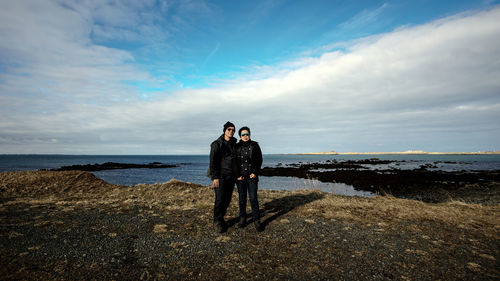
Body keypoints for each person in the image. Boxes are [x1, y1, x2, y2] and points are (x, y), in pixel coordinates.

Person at [208, 121, 237, 233]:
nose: (231, 131)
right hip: (220, 177)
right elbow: (213, 162)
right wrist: (215, 177)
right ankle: (217, 222)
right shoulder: (216, 144)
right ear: (224, 130)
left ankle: (221, 218)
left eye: (233, 130)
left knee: (227, 199)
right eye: (229, 129)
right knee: (219, 199)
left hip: (231, 176)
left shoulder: (234, 143)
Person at [235, 126, 263, 232]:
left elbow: (259, 159)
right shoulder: (236, 147)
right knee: (242, 199)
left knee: (253, 198)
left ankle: (256, 220)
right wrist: (237, 175)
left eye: (247, 134)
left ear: (250, 134)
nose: (245, 136)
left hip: (252, 177)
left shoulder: (255, 145)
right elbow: (234, 162)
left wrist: (255, 172)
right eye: (243, 135)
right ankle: (242, 219)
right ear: (240, 136)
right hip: (241, 177)